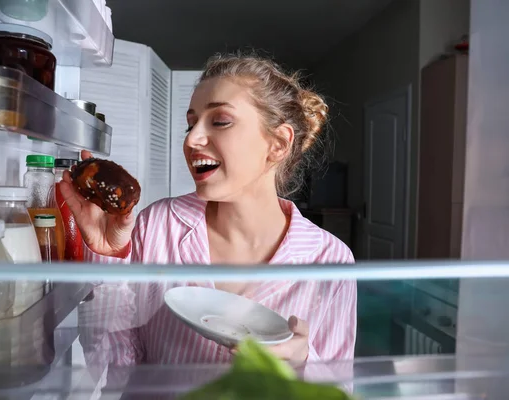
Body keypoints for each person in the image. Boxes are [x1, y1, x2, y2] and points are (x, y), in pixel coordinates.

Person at [60, 53, 357, 370]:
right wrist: (109, 260)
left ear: (278, 144)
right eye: (190, 124)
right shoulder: (158, 227)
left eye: (220, 121)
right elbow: (112, 367)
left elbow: (338, 389)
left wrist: (304, 364)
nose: (192, 139)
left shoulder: (330, 260)